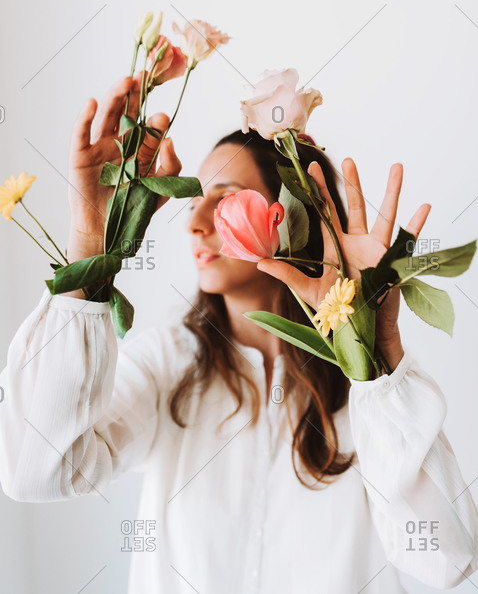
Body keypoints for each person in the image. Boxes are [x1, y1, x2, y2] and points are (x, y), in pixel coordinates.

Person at [0, 75, 477, 594]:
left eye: (223, 198)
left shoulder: (365, 397)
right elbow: (35, 471)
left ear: (290, 217)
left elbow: (447, 557)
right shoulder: (167, 366)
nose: (193, 223)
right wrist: (89, 248)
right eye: (194, 200)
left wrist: (373, 356)